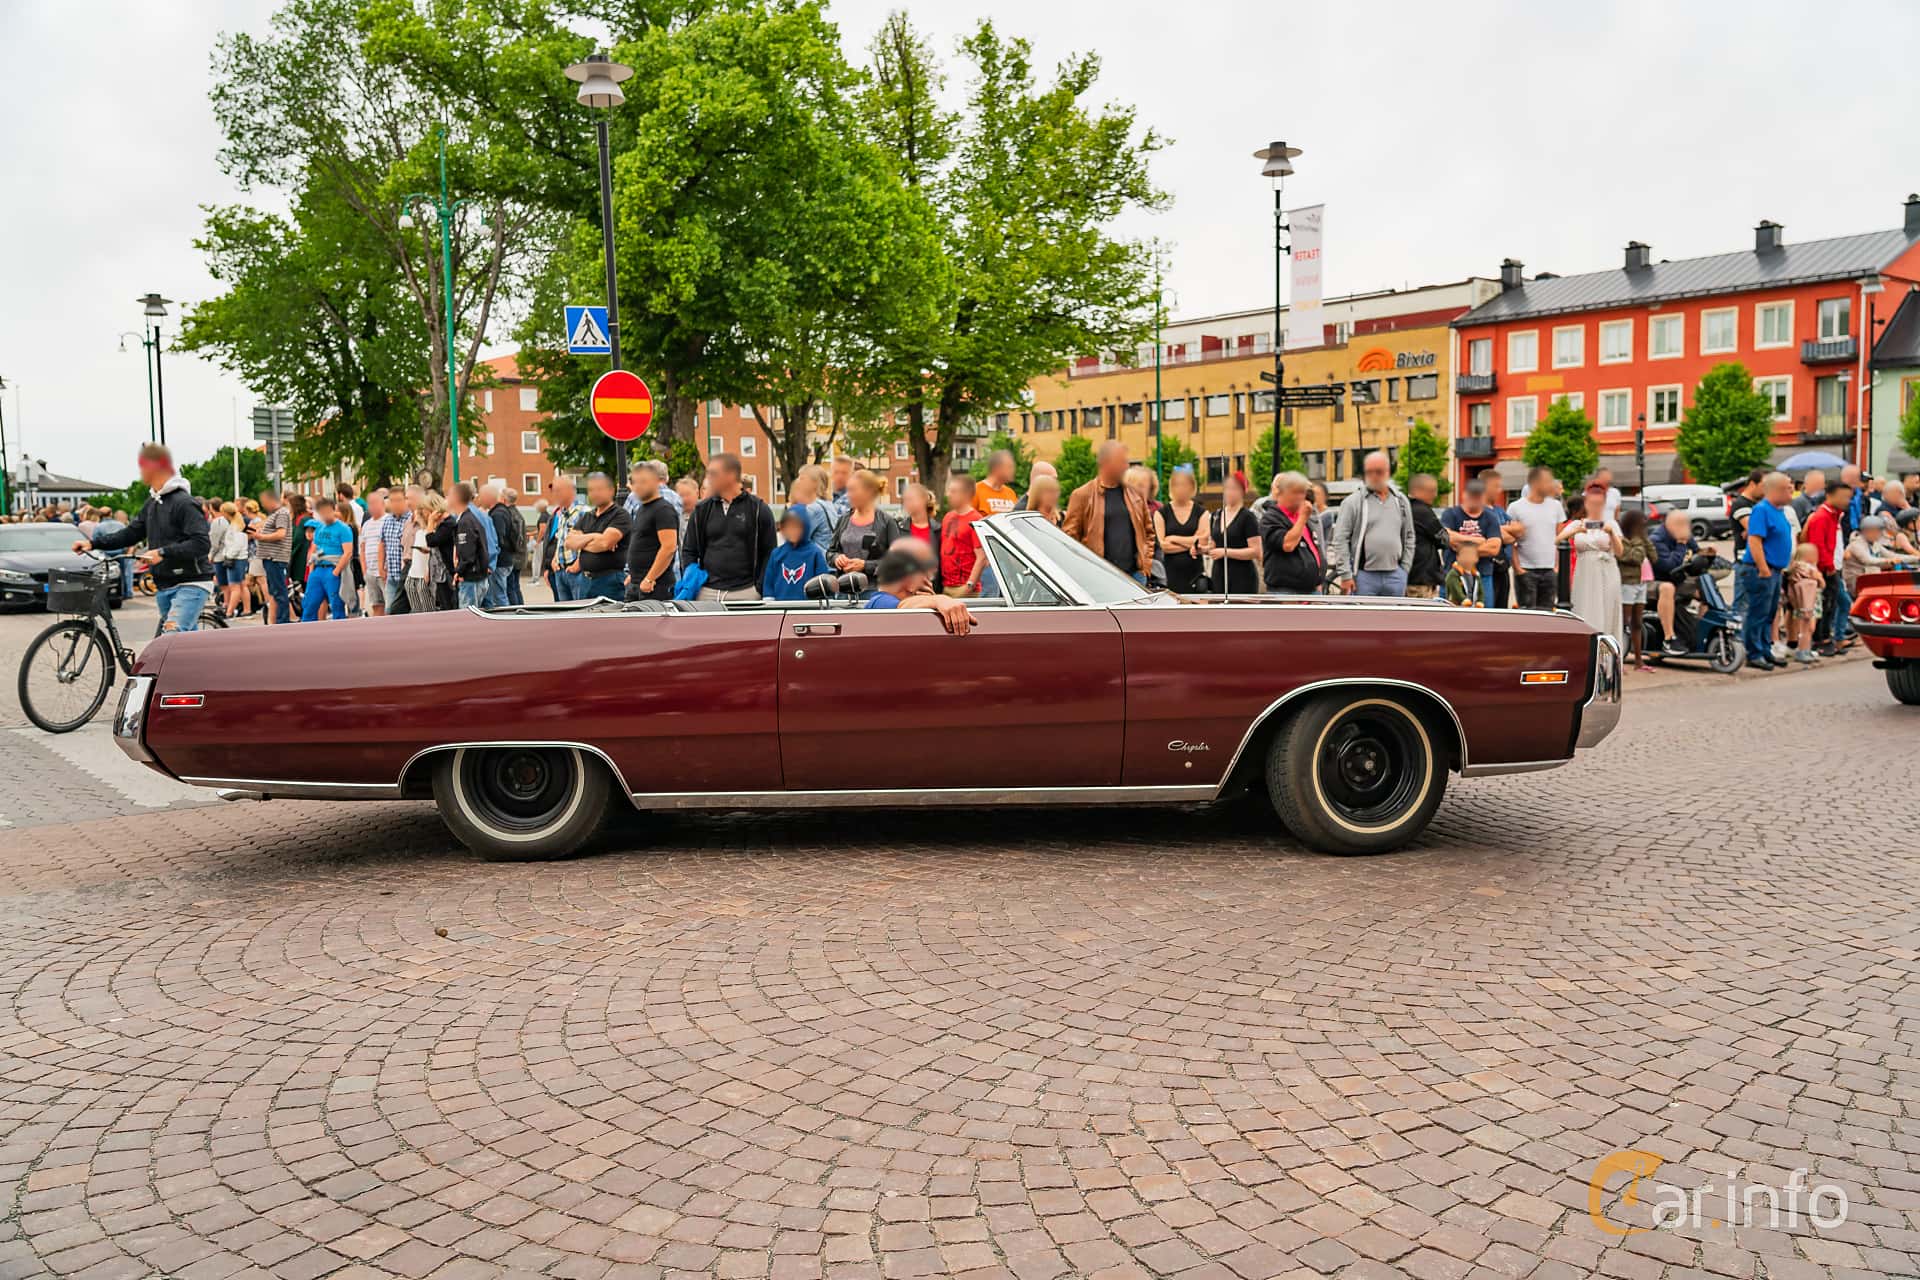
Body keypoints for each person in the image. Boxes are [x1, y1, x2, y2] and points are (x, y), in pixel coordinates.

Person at [78, 444, 213, 634]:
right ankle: (202, 663)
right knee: (186, 644)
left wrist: (162, 552)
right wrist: (92, 543)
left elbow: (201, 543)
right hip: (164, 583)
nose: (141, 471)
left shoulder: (184, 503)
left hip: (190, 583)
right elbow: (131, 534)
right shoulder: (152, 504)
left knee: (171, 638)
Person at [682, 453, 777, 602]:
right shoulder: (702, 509)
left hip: (746, 593)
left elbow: (769, 552)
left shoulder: (758, 509)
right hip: (707, 593)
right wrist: (693, 584)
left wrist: (758, 588)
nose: (709, 478)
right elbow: (689, 550)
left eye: (714, 474)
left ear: (731, 475)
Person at [1062, 440, 1151, 581]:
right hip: (1098, 578)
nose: (1126, 466)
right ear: (1106, 463)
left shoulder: (1135, 495)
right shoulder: (1082, 495)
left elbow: (1148, 532)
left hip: (1135, 578)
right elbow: (1069, 538)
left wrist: (1145, 565)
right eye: (1122, 462)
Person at [1328, 451, 1413, 597]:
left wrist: (1404, 568)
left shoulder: (1401, 501)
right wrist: (1346, 575)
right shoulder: (1352, 502)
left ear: (1388, 472)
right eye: (1369, 472)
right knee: (1364, 619)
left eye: (1379, 472)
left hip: (1395, 575)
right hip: (1363, 576)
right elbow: (1340, 539)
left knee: (1394, 619)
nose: (1374, 476)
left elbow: (1409, 535)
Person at [1739, 471, 1795, 672]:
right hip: (1761, 570)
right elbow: (1755, 540)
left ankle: (1764, 650)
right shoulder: (1762, 510)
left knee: (1769, 613)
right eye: (1789, 488)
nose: (1792, 491)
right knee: (1758, 612)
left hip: (1775, 570)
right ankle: (1754, 653)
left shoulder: (1778, 510)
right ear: (1778, 489)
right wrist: (1763, 568)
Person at [862, 544, 977, 634]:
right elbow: (901, 607)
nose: (929, 579)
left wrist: (931, 602)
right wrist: (939, 600)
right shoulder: (878, 601)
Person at [1560, 483, 1623, 635]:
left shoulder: (1611, 524)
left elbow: (1620, 552)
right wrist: (1574, 530)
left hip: (1607, 571)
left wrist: (1611, 534)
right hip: (1585, 571)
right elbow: (1557, 539)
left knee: (1607, 610)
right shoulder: (1578, 523)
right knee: (1585, 607)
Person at [1803, 480, 1854, 656]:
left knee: (1833, 604)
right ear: (1830, 495)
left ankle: (1829, 637)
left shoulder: (1834, 515)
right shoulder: (1822, 516)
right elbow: (1818, 544)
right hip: (1825, 568)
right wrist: (1828, 565)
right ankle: (1821, 640)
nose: (1847, 501)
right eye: (1844, 497)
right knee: (1825, 604)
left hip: (1832, 566)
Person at [1504, 466, 1566, 610]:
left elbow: (1561, 537)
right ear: (1535, 483)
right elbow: (1510, 539)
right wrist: (1518, 568)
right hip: (1526, 570)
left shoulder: (1556, 506)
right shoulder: (1516, 508)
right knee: (1527, 616)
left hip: (1550, 570)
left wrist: (1557, 567)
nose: (1551, 485)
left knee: (1548, 615)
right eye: (1547, 481)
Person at [563, 472, 629, 601]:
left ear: (611, 490)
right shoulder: (588, 516)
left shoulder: (620, 515)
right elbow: (569, 542)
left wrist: (583, 541)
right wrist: (595, 536)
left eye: (599, 489)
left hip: (610, 581)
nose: (594, 493)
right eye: (591, 490)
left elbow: (605, 544)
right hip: (585, 581)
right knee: (585, 620)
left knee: (609, 620)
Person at [1259, 470, 1324, 595]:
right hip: (1286, 592)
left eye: (1302, 493)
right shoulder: (1271, 518)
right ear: (1281, 493)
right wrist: (1303, 518)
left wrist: (1318, 577)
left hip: (1312, 590)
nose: (1300, 497)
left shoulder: (1305, 516)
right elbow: (1288, 545)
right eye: (1295, 492)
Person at [1439, 479, 1502, 608]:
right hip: (1454, 575)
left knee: (1483, 618)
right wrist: (1478, 540)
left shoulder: (1490, 517)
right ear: (1464, 495)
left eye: (1478, 496)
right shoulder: (1451, 514)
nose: (1474, 499)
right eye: (1472, 495)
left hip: (1483, 576)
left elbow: (1494, 547)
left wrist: (1463, 547)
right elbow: (1448, 537)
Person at [828, 470, 900, 580]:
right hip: (843, 589)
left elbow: (897, 561)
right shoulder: (843, 520)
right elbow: (831, 552)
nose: (849, 495)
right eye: (848, 490)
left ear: (868, 492)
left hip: (875, 590)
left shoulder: (887, 522)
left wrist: (865, 565)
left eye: (853, 490)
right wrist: (837, 558)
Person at [429, 483, 492, 609]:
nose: (447, 498)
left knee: (468, 616)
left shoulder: (465, 522)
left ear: (456, 498)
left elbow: (467, 553)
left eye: (449, 495)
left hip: (470, 579)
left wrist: (460, 572)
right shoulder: (468, 519)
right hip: (475, 576)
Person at [623, 462, 679, 602]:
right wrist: (633, 575)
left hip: (655, 587)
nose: (638, 486)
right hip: (637, 583)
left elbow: (669, 547)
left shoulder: (663, 509)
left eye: (643, 481)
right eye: (634, 482)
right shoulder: (643, 508)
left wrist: (650, 578)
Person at [1650, 509, 1702, 654]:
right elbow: (1669, 566)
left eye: (1686, 525)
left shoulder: (1684, 535)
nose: (1685, 529)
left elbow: (1697, 551)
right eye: (1681, 525)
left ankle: (1698, 631)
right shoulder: (1656, 539)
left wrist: (1708, 554)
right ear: (1670, 525)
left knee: (1703, 587)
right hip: (1655, 581)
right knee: (1668, 588)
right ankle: (1669, 638)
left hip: (1676, 580)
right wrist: (1680, 544)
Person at [298, 499, 356, 622]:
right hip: (319, 568)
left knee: (337, 605)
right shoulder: (319, 528)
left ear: (334, 510)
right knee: (309, 604)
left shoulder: (343, 528)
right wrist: (312, 571)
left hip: (332, 568)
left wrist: (336, 572)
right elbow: (315, 549)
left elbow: (348, 552)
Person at [1205, 471, 1261, 595]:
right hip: (1219, 574)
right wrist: (1201, 549)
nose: (1229, 492)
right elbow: (1213, 546)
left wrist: (1225, 552)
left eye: (1234, 488)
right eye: (1227, 488)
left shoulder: (1248, 517)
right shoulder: (1216, 515)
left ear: (1242, 491)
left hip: (1242, 576)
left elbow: (1255, 551)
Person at [761, 507, 830, 601]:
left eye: (796, 526)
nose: (792, 530)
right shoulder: (777, 554)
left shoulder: (815, 553)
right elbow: (768, 585)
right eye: (788, 526)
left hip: (807, 610)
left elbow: (823, 584)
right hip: (781, 610)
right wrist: (769, 604)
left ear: (805, 527)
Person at [1617, 509, 1656, 672]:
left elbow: (1654, 556)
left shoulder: (1641, 538)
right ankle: (1617, 659)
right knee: (1623, 621)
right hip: (1627, 583)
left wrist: (1645, 540)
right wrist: (1641, 544)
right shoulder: (1621, 539)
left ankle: (1638, 661)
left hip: (1642, 582)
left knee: (1637, 622)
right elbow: (1633, 557)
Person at [1155, 466, 1205, 593]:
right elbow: (1164, 546)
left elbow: (1201, 542)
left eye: (1185, 485)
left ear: (1192, 487)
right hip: (1170, 574)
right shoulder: (1162, 513)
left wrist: (1173, 538)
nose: (1181, 488)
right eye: (1177, 485)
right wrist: (1191, 544)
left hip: (1195, 574)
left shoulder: (1201, 512)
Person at [1844, 514, 1920, 595]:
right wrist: (1888, 561)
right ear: (1866, 531)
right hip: (1858, 583)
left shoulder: (1875, 544)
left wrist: (1916, 558)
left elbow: (1893, 555)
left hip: (1872, 581)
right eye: (1876, 531)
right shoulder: (1856, 544)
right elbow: (1868, 560)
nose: (1879, 534)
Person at [939, 472, 986, 597]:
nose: (948, 495)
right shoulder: (948, 517)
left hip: (965, 589)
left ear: (966, 494)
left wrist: (969, 586)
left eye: (954, 491)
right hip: (947, 586)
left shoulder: (975, 520)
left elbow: (982, 557)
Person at [369, 489, 411, 617]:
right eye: (392, 500)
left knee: (406, 611)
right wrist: (381, 567)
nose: (394, 504)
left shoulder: (411, 519)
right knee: (389, 611)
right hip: (391, 576)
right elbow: (382, 544)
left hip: (406, 576)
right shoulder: (388, 520)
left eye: (398, 500)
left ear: (405, 500)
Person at [1405, 473, 1447, 600]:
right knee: (1422, 617)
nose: (1435, 495)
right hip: (1421, 579)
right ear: (1419, 491)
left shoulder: (1404, 508)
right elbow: (1444, 539)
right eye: (1432, 491)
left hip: (1407, 574)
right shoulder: (1423, 511)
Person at [1782, 543, 1824, 666]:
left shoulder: (1793, 569)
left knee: (1802, 627)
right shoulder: (1810, 569)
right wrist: (1820, 580)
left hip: (1798, 602)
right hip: (1811, 602)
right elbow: (1821, 583)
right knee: (1809, 628)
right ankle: (1804, 650)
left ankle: (1802, 649)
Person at [546, 476, 586, 601]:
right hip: (560, 571)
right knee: (565, 614)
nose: (554, 495)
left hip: (576, 572)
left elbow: (590, 541)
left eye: (557, 491)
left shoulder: (583, 511)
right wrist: (554, 560)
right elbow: (561, 539)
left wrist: (579, 564)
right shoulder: (562, 513)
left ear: (569, 490)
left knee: (579, 614)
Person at [406, 491, 444, 614]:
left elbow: (434, 550)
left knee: (428, 612)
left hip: (426, 576)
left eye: (425, 509)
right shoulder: (420, 531)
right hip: (413, 574)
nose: (423, 512)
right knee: (417, 611)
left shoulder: (439, 530)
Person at [790, 465, 838, 560]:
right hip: (829, 562)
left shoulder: (813, 508)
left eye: (802, 479)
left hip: (817, 566)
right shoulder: (829, 504)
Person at [899, 482, 941, 585]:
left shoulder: (938, 530)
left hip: (932, 587)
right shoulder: (898, 528)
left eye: (910, 499)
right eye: (905, 500)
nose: (906, 503)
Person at [973, 450, 1020, 517]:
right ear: (997, 468)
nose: (1013, 470)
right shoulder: (975, 491)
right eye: (1010, 467)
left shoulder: (1011, 493)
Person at [1445, 542, 1483, 607]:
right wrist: (1463, 600)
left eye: (1471, 555)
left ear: (1477, 558)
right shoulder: (1454, 574)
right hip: (1456, 607)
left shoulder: (1476, 575)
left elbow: (1480, 591)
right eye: (1465, 555)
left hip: (1472, 607)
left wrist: (1480, 601)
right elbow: (1455, 590)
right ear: (1457, 557)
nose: (1468, 558)